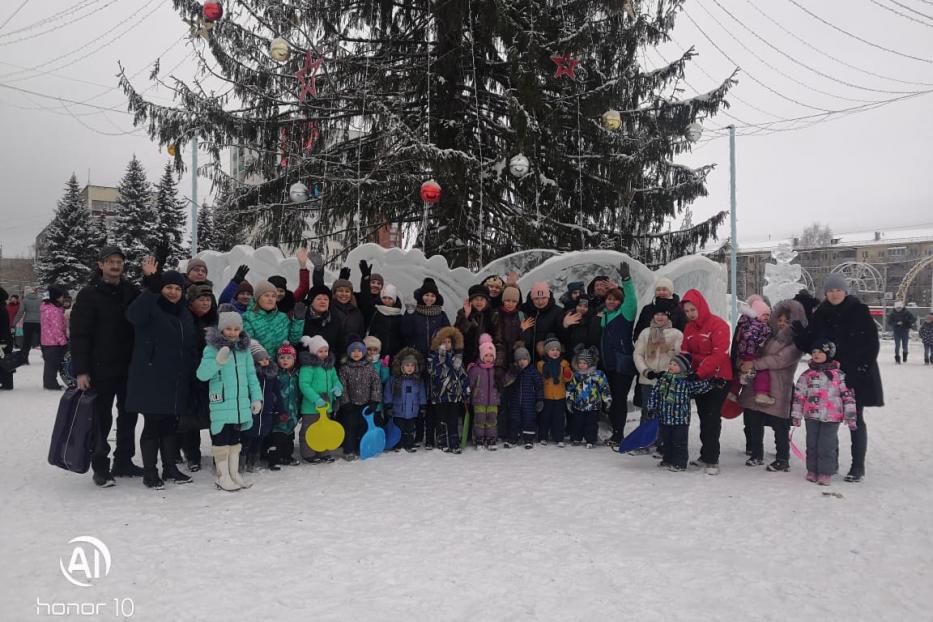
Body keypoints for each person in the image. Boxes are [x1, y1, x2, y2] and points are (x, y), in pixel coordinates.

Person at [794, 274, 883, 483]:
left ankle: (857, 466)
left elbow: (872, 344)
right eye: (831, 290)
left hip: (854, 375)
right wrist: (800, 334)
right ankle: (829, 465)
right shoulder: (821, 313)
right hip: (827, 378)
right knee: (826, 420)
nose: (835, 294)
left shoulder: (859, 311)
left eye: (838, 290)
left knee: (855, 420)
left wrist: (860, 370)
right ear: (826, 293)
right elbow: (813, 343)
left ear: (845, 291)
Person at [70, 246, 143, 487]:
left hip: (129, 367)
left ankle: (124, 460)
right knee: (101, 418)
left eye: (119, 261)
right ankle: (100, 466)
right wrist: (81, 370)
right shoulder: (89, 294)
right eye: (110, 261)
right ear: (100, 265)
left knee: (129, 416)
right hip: (100, 368)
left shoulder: (131, 291)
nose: (115, 265)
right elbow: (80, 335)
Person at [126, 263, 199, 490]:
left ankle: (169, 467)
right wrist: (152, 289)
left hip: (176, 379)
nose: (173, 292)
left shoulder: (184, 312)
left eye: (178, 289)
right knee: (152, 426)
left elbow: (188, 345)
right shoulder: (150, 306)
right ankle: (150, 471)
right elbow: (133, 315)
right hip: (152, 378)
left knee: (170, 426)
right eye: (169, 287)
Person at [196, 310, 263, 491]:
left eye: (236, 329)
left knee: (235, 440)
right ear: (221, 329)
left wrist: (257, 397)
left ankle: (234, 473)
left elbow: (251, 375)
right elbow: (201, 375)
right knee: (221, 439)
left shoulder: (244, 350)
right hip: (221, 403)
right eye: (228, 329)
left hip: (240, 405)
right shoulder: (211, 349)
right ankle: (222, 475)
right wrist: (217, 362)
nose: (232, 333)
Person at [738, 300, 807, 472]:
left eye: (787, 320)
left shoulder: (796, 342)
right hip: (758, 384)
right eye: (780, 319)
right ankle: (756, 453)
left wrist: (754, 363)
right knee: (754, 420)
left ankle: (782, 458)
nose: (782, 323)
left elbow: (781, 360)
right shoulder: (767, 334)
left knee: (780, 425)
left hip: (779, 387)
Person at [791, 339, 857, 486]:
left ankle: (825, 472)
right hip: (811, 415)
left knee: (826, 445)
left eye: (820, 352)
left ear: (829, 354)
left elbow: (848, 396)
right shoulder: (806, 375)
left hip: (832, 416)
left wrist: (850, 416)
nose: (816, 354)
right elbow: (799, 396)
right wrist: (796, 414)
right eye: (814, 352)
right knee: (812, 444)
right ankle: (812, 470)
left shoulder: (839, 375)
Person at [680, 289, 732, 476]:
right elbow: (685, 352)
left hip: (718, 378)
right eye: (687, 311)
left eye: (693, 309)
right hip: (699, 377)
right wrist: (681, 369)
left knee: (711, 416)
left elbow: (719, 353)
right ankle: (705, 453)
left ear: (701, 306)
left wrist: (700, 371)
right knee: (703, 416)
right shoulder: (688, 328)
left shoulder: (718, 325)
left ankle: (712, 458)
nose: (690, 314)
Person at [648, 352, 720, 472]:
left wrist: (712, 383)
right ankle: (668, 459)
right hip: (664, 417)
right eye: (671, 363)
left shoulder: (686, 382)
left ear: (683, 368)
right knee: (667, 441)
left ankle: (679, 463)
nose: (671, 366)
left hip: (680, 419)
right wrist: (652, 408)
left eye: (675, 364)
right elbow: (655, 395)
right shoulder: (663, 380)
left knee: (679, 442)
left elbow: (699, 386)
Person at [632, 305, 683, 454]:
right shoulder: (645, 333)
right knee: (648, 411)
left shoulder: (676, 334)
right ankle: (644, 442)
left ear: (668, 317)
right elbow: (638, 354)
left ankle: (662, 444)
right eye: (657, 314)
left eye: (663, 314)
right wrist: (645, 370)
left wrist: (668, 370)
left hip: (667, 380)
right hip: (648, 379)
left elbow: (681, 355)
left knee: (666, 412)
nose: (660, 317)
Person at [178, 284, 218, 471]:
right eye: (201, 299)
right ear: (191, 302)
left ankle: (220, 453)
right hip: (189, 375)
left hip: (212, 376)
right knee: (190, 418)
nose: (205, 303)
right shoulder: (184, 319)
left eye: (208, 299)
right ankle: (192, 455)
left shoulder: (214, 321)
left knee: (215, 416)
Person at [598, 262, 638, 444]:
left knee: (619, 400)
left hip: (623, 364)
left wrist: (626, 280)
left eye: (615, 299)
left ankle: (618, 434)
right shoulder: (604, 316)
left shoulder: (626, 314)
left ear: (620, 302)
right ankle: (613, 430)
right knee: (611, 399)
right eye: (609, 298)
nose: (611, 301)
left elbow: (631, 299)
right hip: (608, 364)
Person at [297, 335, 343, 463]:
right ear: (313, 352)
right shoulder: (308, 367)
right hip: (311, 407)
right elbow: (304, 384)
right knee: (309, 429)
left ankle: (323, 451)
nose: (324, 354)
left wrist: (338, 388)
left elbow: (336, 380)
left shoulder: (330, 367)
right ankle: (308, 453)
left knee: (324, 428)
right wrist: (316, 398)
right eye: (320, 351)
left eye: (325, 350)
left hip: (326, 404)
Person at [337, 337, 382, 461]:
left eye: (359, 350)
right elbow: (342, 387)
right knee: (350, 427)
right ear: (348, 353)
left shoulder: (370, 367)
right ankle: (349, 450)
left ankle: (362, 447)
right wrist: (345, 402)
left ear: (363, 352)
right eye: (353, 351)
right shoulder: (345, 368)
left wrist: (374, 401)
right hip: (350, 405)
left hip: (366, 404)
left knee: (364, 426)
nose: (356, 353)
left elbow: (376, 384)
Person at [427, 326, 470, 453]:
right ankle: (442, 442)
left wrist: (466, 390)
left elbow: (463, 375)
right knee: (441, 420)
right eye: (443, 342)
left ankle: (454, 443)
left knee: (453, 421)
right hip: (439, 396)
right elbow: (433, 372)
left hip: (454, 396)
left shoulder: (456, 358)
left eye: (448, 342)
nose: (446, 344)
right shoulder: (432, 358)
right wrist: (440, 355)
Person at [241, 340, 281, 472]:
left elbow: (277, 393)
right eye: (261, 359)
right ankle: (242, 461)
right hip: (253, 412)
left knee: (260, 437)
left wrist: (280, 409)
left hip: (266, 412)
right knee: (247, 437)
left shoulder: (271, 375)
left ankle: (253, 460)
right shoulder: (252, 375)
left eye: (266, 358)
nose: (265, 361)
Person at [242, 280, 305, 358]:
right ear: (257, 298)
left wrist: (298, 321)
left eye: (273, 296)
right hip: (261, 367)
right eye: (266, 295)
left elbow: (293, 342)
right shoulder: (247, 318)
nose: (270, 299)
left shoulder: (282, 317)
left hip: (282, 365)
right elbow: (250, 347)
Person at [565, 345, 612, 448]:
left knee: (591, 424)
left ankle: (590, 440)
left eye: (584, 363)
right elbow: (571, 388)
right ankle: (576, 438)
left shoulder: (597, 375)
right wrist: (569, 400)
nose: (582, 365)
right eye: (580, 363)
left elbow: (604, 387)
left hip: (593, 405)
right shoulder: (577, 375)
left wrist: (607, 399)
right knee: (577, 423)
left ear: (590, 363)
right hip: (579, 405)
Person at [731, 296, 774, 405]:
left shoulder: (745, 323)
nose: (766, 318)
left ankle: (732, 392)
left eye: (768, 315)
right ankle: (762, 394)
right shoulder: (759, 326)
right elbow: (755, 339)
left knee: (741, 373)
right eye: (764, 315)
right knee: (762, 371)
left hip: (742, 355)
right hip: (751, 355)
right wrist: (762, 340)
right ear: (758, 314)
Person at [383, 348, 427, 452]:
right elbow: (388, 392)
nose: (410, 368)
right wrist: (388, 404)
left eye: (412, 366)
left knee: (410, 429)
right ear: (402, 367)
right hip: (398, 410)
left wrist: (422, 406)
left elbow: (421, 394)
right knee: (399, 428)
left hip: (412, 410)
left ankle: (409, 444)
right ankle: (398, 443)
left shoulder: (417, 380)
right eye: (407, 365)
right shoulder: (394, 380)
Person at [266, 343, 301, 468]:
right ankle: (273, 459)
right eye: (282, 357)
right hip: (279, 411)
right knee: (277, 436)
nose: (285, 360)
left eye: (288, 358)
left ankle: (287, 456)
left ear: (294, 359)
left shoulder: (296, 374)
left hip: (292, 412)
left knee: (289, 436)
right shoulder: (276, 375)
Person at [506, 345, 544, 449]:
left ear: (528, 360)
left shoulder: (533, 371)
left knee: (529, 420)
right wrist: (513, 372)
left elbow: (539, 386)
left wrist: (540, 400)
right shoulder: (514, 371)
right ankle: (513, 438)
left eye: (524, 359)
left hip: (529, 403)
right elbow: (507, 383)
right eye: (519, 360)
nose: (522, 362)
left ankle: (528, 439)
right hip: (516, 402)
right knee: (514, 419)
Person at [536, 335, 572, 446]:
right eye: (552, 350)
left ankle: (559, 437)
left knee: (558, 418)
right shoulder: (541, 364)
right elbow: (539, 377)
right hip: (546, 396)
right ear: (547, 351)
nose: (555, 352)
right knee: (545, 417)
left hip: (559, 395)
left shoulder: (564, 363)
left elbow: (568, 378)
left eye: (557, 350)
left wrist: (567, 373)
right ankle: (543, 436)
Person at [401, 277, 450, 358]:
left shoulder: (441, 315)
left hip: (435, 357)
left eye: (432, 296)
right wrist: (409, 314)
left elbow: (448, 335)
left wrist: (442, 350)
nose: (429, 298)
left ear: (436, 298)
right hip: (415, 356)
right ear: (421, 296)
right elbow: (405, 332)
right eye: (426, 295)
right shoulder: (413, 312)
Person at [456, 284, 501, 370]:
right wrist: (466, 316)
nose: (479, 302)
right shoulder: (462, 313)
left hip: (486, 360)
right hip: (466, 359)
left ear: (487, 301)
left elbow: (498, 339)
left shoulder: (493, 316)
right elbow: (457, 334)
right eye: (476, 299)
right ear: (471, 301)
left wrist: (497, 363)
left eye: (482, 299)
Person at [468, 333, 501, 449]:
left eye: (491, 356)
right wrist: (468, 394)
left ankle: (491, 439)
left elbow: (503, 381)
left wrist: (513, 372)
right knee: (479, 420)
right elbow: (470, 383)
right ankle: (479, 439)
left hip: (493, 400)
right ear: (481, 356)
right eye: (486, 355)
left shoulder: (496, 370)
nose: (488, 358)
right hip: (479, 399)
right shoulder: (475, 369)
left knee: (492, 419)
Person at [520, 282, 565, 366]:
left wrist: (565, 325)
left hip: (547, 360)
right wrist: (521, 329)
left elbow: (562, 337)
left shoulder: (558, 312)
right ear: (531, 298)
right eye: (536, 298)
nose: (540, 302)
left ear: (548, 297)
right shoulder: (523, 310)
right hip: (526, 358)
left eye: (544, 298)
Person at [40, 285, 69, 390]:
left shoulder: (46, 308)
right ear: (55, 297)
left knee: (49, 364)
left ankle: (49, 383)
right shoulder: (54, 311)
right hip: (54, 343)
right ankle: (50, 384)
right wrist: (63, 342)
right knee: (52, 365)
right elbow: (57, 329)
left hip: (46, 341)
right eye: (61, 296)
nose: (62, 299)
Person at [367, 283, 404, 361]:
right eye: (384, 297)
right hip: (378, 351)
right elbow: (372, 332)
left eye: (390, 298)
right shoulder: (377, 312)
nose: (387, 300)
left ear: (394, 300)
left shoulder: (398, 315)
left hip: (394, 352)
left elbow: (401, 335)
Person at [14, 286, 41, 363]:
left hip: (28, 322)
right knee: (42, 340)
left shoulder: (25, 300)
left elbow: (20, 312)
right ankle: (47, 357)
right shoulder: (40, 300)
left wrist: (14, 323)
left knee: (27, 342)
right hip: (39, 322)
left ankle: (24, 359)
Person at [887, 300, 916, 364]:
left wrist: (906, 322)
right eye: (897, 308)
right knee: (897, 345)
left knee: (905, 346)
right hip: (897, 331)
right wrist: (896, 323)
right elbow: (889, 322)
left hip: (905, 331)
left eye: (899, 308)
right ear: (895, 308)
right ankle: (897, 358)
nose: (898, 309)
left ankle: (905, 356)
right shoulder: (892, 314)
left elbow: (913, 319)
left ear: (902, 307)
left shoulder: (907, 312)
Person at [0, 287, 13, 390]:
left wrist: (3, 340)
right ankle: (6, 382)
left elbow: (3, 326)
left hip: (3, 339)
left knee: (4, 361)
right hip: (5, 338)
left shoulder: (2, 309)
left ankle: (7, 383)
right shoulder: (3, 307)